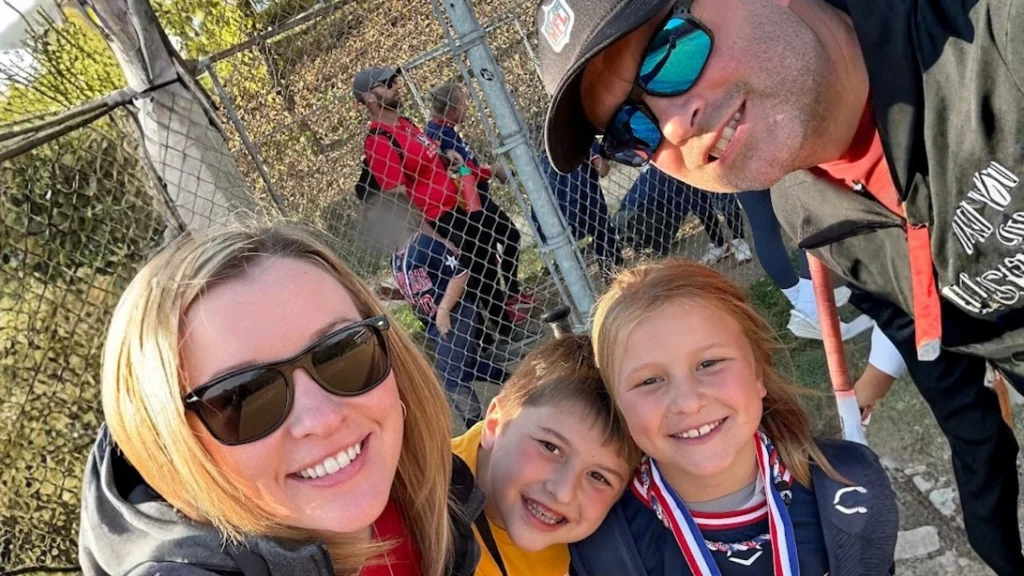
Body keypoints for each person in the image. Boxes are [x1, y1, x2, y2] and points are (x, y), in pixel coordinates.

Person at [535, 1, 1024, 570]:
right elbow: (939, 358)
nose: (673, 127)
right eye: (630, 128)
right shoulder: (808, 210)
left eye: (671, 52)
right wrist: (992, 529)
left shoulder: (994, 37)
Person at [78, 223, 482, 576]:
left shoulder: (429, 489)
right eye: (243, 396)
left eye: (341, 352)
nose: (323, 418)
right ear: (170, 447)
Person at [571, 259, 897, 575]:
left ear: (757, 372)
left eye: (709, 363)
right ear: (617, 406)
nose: (688, 403)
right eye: (649, 381)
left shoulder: (853, 482)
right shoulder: (601, 549)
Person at [353, 66, 526, 339]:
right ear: (369, 97)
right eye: (386, 83)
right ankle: (482, 341)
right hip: (434, 219)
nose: (396, 85)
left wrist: (447, 158)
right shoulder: (379, 141)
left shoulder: (405, 124)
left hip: (454, 208)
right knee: (463, 276)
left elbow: (427, 157)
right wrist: (435, 237)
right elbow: (399, 199)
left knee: (483, 262)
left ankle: (502, 327)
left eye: (394, 80)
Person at [451, 335, 641, 576]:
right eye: (550, 447)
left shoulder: (604, 542)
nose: (563, 493)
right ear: (494, 423)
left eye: (598, 477)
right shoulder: (419, 507)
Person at [369, 191, 508, 428]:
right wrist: (392, 294)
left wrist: (444, 310)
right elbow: (420, 290)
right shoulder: (396, 257)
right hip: (435, 323)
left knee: (451, 376)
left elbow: (460, 274)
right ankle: (513, 380)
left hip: (456, 316)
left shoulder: (423, 244)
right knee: (467, 366)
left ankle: (476, 427)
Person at [425, 83, 533, 315]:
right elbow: (464, 172)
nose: (466, 108)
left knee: (506, 239)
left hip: (479, 199)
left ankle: (511, 294)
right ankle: (505, 302)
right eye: (463, 104)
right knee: (502, 242)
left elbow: (466, 166)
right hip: (470, 205)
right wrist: (492, 171)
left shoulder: (445, 129)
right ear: (451, 109)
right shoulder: (439, 135)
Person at [617, 163, 753, 265]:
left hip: (701, 150)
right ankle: (719, 244)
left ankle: (739, 241)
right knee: (697, 201)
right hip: (679, 161)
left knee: (722, 194)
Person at [538, 139, 624, 278]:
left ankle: (573, 276)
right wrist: (599, 155)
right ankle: (611, 268)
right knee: (602, 229)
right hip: (589, 205)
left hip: (559, 216)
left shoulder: (542, 156)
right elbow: (602, 170)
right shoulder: (581, 139)